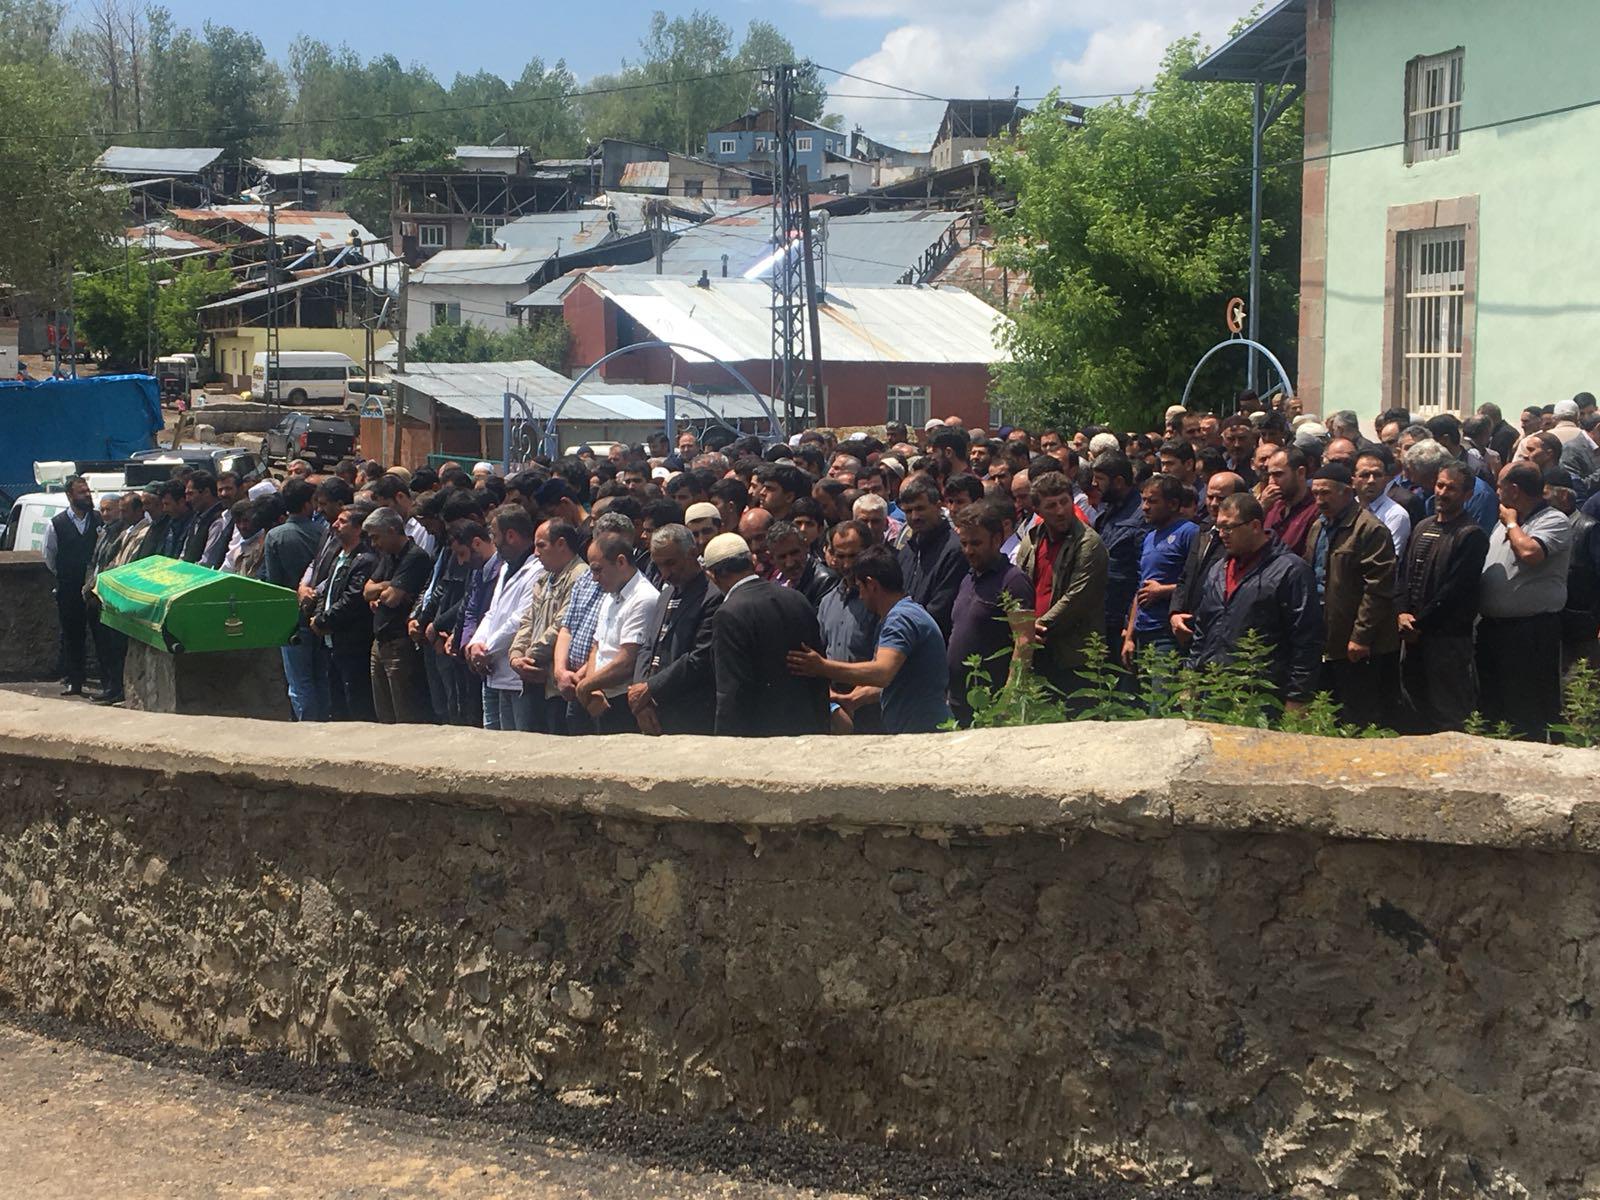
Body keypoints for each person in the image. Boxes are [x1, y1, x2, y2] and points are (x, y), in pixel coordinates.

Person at [788, 545, 952, 734]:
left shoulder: (900, 619)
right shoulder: (903, 614)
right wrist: (854, 699)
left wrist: (822, 667)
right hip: (915, 729)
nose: (860, 596)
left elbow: (882, 672)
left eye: (860, 588)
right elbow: (894, 681)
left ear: (872, 585)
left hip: (924, 732)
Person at [1188, 492, 1322, 705]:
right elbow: (1203, 630)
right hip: (1213, 688)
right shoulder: (1217, 570)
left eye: (1229, 527)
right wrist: (1191, 679)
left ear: (1255, 526)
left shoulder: (1291, 571)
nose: (1222, 534)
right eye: (1220, 527)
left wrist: (1298, 697)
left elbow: (1306, 641)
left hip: (1262, 693)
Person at [1476, 462, 1574, 740]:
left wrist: (1511, 522)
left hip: (1530, 632)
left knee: (1528, 708)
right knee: (1494, 707)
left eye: (1499, 486)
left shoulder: (1553, 520)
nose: (1496, 492)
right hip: (1494, 630)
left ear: (1514, 490)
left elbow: (1530, 553)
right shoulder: (1506, 522)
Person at [704, 533, 829, 736]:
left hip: (760, 738)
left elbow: (732, 691)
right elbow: (818, 672)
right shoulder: (795, 598)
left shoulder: (728, 614)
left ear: (712, 575)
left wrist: (726, 744)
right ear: (752, 561)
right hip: (807, 729)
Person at [1303, 463, 1398, 727]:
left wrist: (1361, 636)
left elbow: (1378, 588)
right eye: (1316, 493)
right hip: (1325, 634)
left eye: (1326, 494)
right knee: (1326, 711)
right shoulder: (1318, 527)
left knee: (1359, 714)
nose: (1319, 500)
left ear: (1347, 492)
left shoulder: (1370, 529)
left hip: (1357, 643)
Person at [1397, 462, 1489, 732]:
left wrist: (1420, 625)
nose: (1443, 492)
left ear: (1467, 495)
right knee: (1413, 708)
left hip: (1446, 641)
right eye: (1440, 485)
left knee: (1448, 713)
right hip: (1411, 635)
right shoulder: (1422, 526)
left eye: (1452, 488)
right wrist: (1401, 612)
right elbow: (1403, 575)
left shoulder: (1470, 535)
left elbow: (1454, 590)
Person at [1015, 470, 1108, 703]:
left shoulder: (1089, 542)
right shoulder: (1033, 539)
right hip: (1035, 649)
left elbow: (1077, 597)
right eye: (1051, 505)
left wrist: (1036, 627)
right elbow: (1019, 583)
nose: (1060, 511)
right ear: (1038, 511)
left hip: (1073, 654)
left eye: (1064, 502)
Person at [628, 524, 721, 735]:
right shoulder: (665, 595)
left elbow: (699, 658)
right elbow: (648, 647)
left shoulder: (712, 597)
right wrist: (640, 697)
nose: (665, 573)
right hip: (654, 709)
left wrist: (650, 688)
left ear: (692, 553)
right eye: (659, 565)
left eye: (671, 563)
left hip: (689, 714)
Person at [946, 500, 1034, 725]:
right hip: (960, 700)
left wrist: (1010, 695)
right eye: (964, 543)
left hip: (993, 703)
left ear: (996, 540)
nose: (968, 551)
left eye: (976, 543)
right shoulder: (968, 579)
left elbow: (1024, 641)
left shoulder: (1013, 581)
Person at [466, 506, 544, 732]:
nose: (493, 541)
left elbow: (519, 620)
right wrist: (475, 644)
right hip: (491, 672)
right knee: (493, 743)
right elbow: (493, 612)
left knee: (518, 743)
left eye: (494, 535)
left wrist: (486, 651)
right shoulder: (506, 568)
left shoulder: (537, 570)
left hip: (515, 676)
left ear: (510, 535)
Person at [574, 528, 659, 733]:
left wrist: (585, 687)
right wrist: (592, 688)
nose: (594, 578)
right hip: (600, 698)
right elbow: (597, 646)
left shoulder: (643, 598)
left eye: (597, 569)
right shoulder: (610, 595)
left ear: (621, 562)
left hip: (624, 704)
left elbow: (627, 661)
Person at [508, 518, 589, 734]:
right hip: (533, 678)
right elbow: (527, 621)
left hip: (556, 685)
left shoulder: (580, 576)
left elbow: (560, 626)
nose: (535, 553)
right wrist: (516, 657)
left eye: (541, 545)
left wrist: (529, 659)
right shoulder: (545, 579)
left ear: (561, 544)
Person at [262, 478, 329, 721]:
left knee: (299, 682)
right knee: (321, 677)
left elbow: (274, 583)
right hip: (321, 614)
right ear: (306, 505)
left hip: (291, 618)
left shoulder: (275, 537)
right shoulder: (323, 532)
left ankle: (307, 727)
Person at [362, 507, 432, 724]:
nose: (374, 544)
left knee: (405, 713)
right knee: (384, 712)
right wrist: (388, 585)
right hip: (380, 640)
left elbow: (392, 598)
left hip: (400, 642)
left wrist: (384, 589)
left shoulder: (415, 556)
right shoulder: (388, 557)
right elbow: (366, 591)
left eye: (376, 537)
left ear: (392, 530)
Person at [309, 504, 379, 721]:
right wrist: (319, 614)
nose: (335, 525)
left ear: (359, 528)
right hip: (333, 641)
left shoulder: (365, 560)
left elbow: (352, 599)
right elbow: (327, 589)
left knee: (356, 702)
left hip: (353, 641)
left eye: (342, 521)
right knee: (337, 702)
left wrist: (323, 620)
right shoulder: (340, 555)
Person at [1122, 474, 1197, 666]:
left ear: (1172, 504)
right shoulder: (1149, 537)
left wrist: (1163, 591)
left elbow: (1200, 582)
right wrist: (1130, 637)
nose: (1144, 507)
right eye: (1143, 500)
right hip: (1142, 633)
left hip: (1167, 634)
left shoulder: (1189, 533)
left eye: (1152, 501)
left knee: (1162, 695)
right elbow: (1141, 590)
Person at [43, 476, 103, 696]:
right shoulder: (56, 524)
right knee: (72, 634)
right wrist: (65, 575)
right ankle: (75, 680)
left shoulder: (98, 520)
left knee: (100, 632)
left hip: (95, 587)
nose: (87, 495)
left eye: (88, 491)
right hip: (69, 587)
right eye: (81, 492)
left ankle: (107, 679)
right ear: (70, 496)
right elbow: (50, 555)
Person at [1170, 472, 1245, 646]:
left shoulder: (1241, 540)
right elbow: (1185, 577)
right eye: (1210, 497)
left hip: (1219, 633)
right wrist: (1175, 613)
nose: (1214, 504)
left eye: (1221, 498)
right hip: (1187, 628)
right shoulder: (1202, 532)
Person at [895, 474, 965, 638]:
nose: (914, 516)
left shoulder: (954, 550)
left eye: (920, 508)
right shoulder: (907, 551)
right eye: (908, 511)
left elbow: (941, 608)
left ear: (938, 506)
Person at [1090, 452, 1147, 652]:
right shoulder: (1107, 510)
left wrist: (1129, 625)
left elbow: (1142, 574)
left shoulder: (1140, 515)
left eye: (1100, 479)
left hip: (1121, 618)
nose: (1094, 484)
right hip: (1101, 613)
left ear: (1119, 482)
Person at [1352, 447, 1411, 568]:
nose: (1371, 481)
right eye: (1365, 475)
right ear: (1353, 480)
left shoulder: (1396, 515)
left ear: (1386, 480)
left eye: (1377, 475)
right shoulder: (1346, 509)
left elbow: (1387, 561)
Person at [1261, 446, 1317, 556]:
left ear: (1300, 473)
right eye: (1269, 475)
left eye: (1278, 475)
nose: (1271, 482)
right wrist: (1262, 509)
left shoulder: (1315, 509)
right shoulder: (1271, 505)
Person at [769, 519, 837, 606]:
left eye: (794, 553)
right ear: (773, 559)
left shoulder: (825, 581)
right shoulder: (776, 584)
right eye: (782, 557)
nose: (790, 563)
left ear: (806, 547)